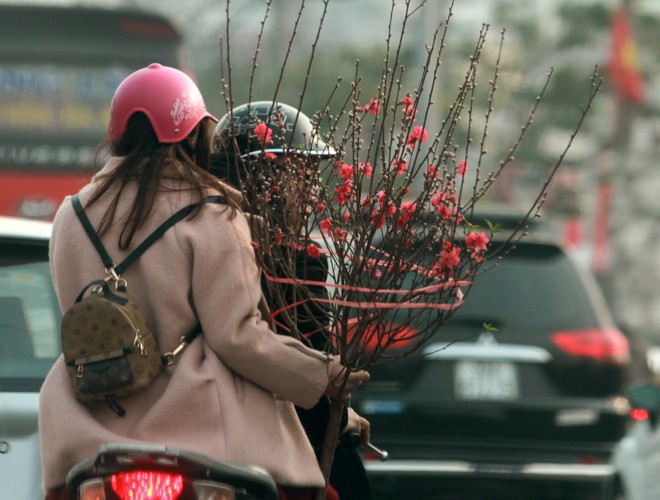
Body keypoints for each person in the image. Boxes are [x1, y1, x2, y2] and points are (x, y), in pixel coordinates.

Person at [39, 65, 369, 500]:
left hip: (87, 429)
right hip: (203, 430)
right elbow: (237, 337)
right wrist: (324, 374)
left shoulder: (70, 215)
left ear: (117, 132)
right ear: (193, 135)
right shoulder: (212, 212)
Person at [211, 101, 374, 500]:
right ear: (269, 179)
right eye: (303, 174)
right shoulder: (298, 263)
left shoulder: (199, 238)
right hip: (270, 445)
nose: (312, 190)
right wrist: (340, 415)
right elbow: (311, 394)